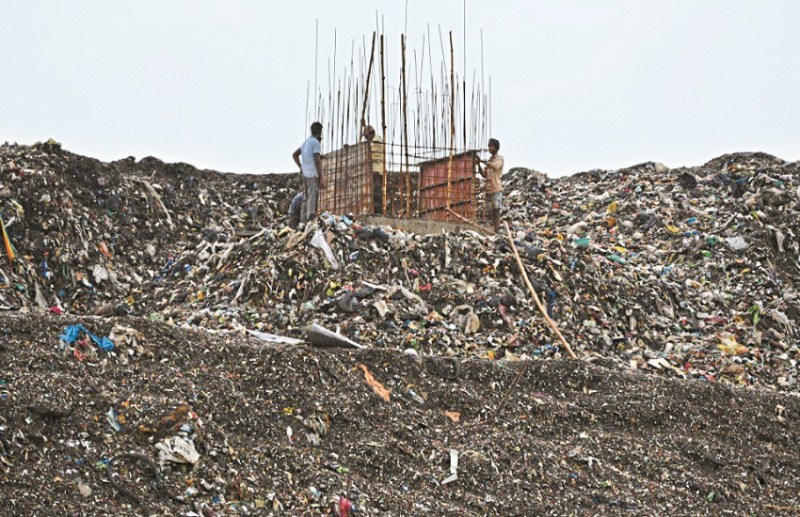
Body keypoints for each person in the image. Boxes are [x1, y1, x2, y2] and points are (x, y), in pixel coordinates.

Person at [292, 122, 323, 223]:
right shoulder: (315, 143)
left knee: (306, 197)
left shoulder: (305, 143)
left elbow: (295, 155)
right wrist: (321, 178)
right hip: (312, 174)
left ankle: (303, 221)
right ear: (319, 132)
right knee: (312, 197)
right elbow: (317, 161)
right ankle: (310, 221)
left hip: (305, 174)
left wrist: (301, 167)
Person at [480, 138, 504, 232]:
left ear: (495, 148)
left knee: (496, 212)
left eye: (491, 146)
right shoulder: (490, 160)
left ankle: (496, 232)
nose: (489, 148)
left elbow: (495, 166)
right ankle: (491, 231)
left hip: (496, 189)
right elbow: (484, 175)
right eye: (488, 146)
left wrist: (484, 162)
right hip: (488, 190)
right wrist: (478, 166)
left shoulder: (499, 158)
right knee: (489, 213)